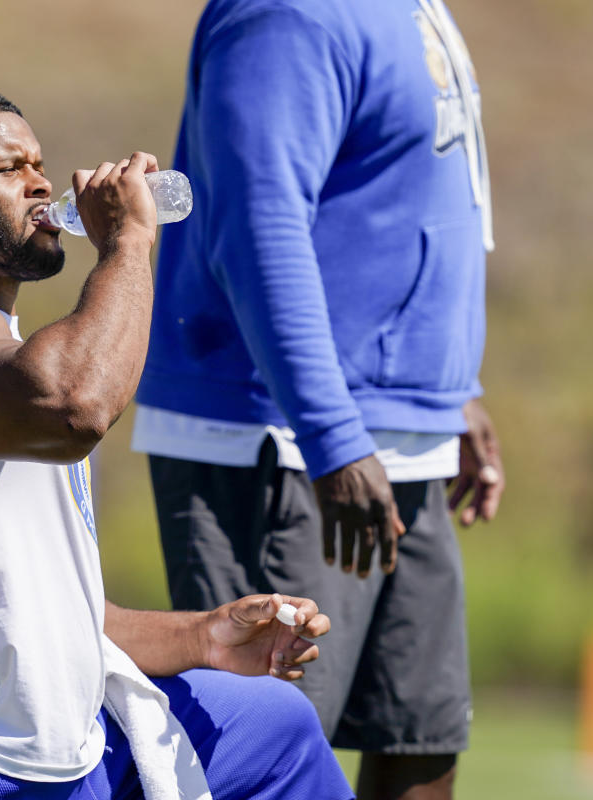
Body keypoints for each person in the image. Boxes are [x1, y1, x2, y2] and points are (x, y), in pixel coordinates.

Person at [0, 88, 354, 800]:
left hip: (53, 747)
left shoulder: (2, 352)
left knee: (274, 728)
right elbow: (72, 409)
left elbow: (47, 615)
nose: (41, 182)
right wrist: (127, 244)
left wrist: (202, 639)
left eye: (40, 163)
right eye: (9, 169)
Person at [132, 1, 506, 798]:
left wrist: (451, 393)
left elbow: (406, 201)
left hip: (397, 430)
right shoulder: (288, 12)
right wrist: (335, 434)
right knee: (269, 758)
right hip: (283, 436)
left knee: (420, 744)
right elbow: (259, 226)